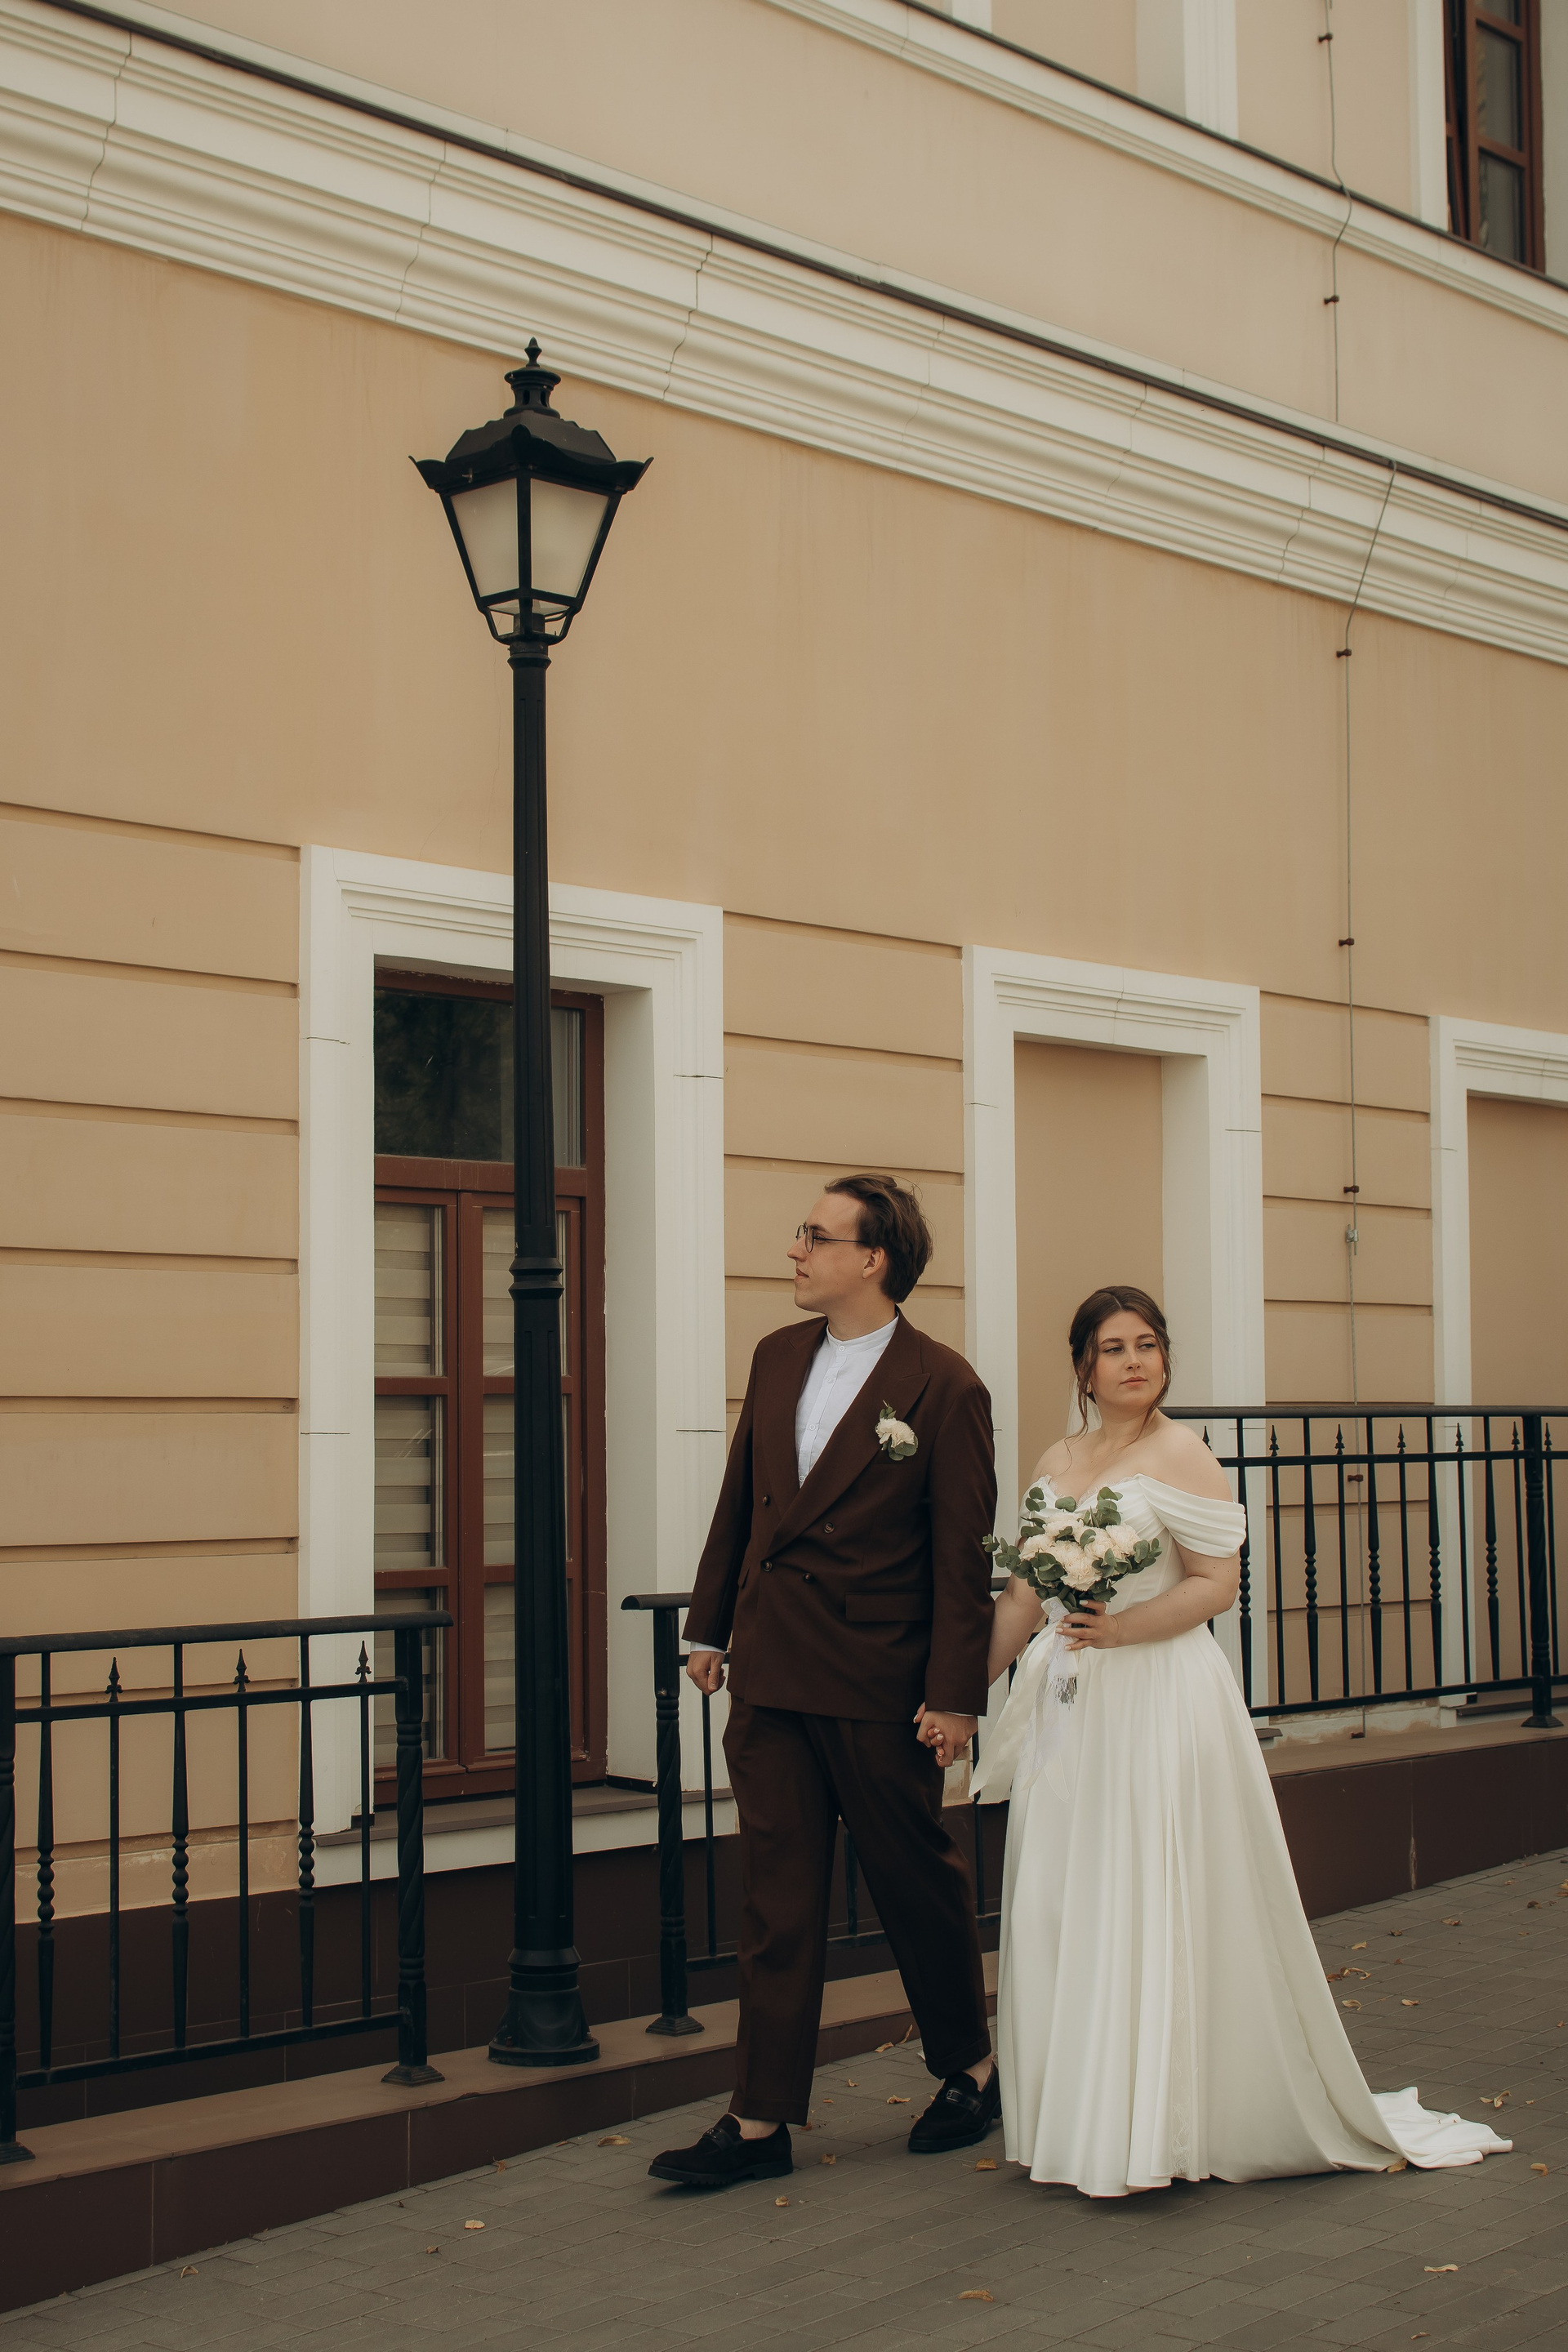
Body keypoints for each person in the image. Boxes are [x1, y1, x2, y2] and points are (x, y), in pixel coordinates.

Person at [943, 1284, 1511, 2198]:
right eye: (1114, 1347)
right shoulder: (1057, 1458)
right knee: (1066, 1896)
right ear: (1084, 1365)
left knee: (1149, 1889)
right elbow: (1020, 1598)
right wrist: (959, 1695)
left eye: (1148, 1344)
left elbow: (1216, 1584)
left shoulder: (1184, 1453)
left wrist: (1120, 1631)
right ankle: (1085, 2115)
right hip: (1074, 1707)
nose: (1134, 1361)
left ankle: (1159, 2123)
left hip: (1158, 1692)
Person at [648, 1174, 1000, 2188]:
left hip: (878, 1681)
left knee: (914, 1883)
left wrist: (954, 1696)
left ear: (873, 1259)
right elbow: (743, 1501)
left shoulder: (945, 1386)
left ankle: (970, 2069)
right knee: (777, 1901)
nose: (795, 1251)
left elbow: (959, 1560)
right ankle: (758, 2121)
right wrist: (708, 1625)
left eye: (814, 1236)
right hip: (771, 1671)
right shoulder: (776, 1356)